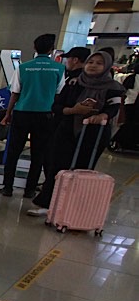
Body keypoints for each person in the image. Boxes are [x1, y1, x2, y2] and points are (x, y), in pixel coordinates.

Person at [27, 51, 125, 216]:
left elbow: (113, 109)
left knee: (83, 169)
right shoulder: (74, 83)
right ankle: (50, 203)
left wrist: (102, 115)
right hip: (68, 129)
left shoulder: (113, 88)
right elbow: (56, 106)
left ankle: (74, 208)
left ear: (107, 66)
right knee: (57, 166)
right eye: (90, 62)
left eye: (99, 63)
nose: (93, 65)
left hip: (94, 133)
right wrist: (73, 110)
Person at [0, 33, 65, 198]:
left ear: (34, 47)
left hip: (22, 113)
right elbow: (59, 93)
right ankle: (30, 189)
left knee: (14, 151)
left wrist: (8, 114)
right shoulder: (59, 68)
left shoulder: (23, 67)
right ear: (51, 50)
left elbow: (15, 93)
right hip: (45, 115)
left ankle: (7, 187)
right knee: (38, 153)